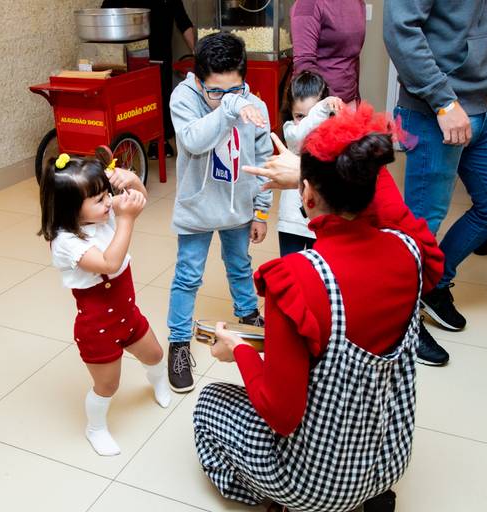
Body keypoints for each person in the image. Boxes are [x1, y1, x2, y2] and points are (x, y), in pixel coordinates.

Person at [193, 105, 444, 512]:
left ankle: (283, 500)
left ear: (306, 194)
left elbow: (282, 414)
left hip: (317, 483)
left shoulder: (298, 278)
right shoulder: (410, 252)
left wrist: (238, 349)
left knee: (208, 405)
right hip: (387, 460)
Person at [383, 0, 487, 366]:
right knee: (422, 223)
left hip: (485, 106)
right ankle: (400, 320)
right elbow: (400, 30)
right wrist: (444, 101)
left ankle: (435, 283)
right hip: (433, 109)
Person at [38, 153, 171, 456]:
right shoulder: (65, 242)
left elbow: (140, 199)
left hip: (128, 313)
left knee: (155, 354)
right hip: (97, 327)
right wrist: (125, 219)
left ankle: (159, 383)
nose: (109, 202)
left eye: (107, 193)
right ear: (71, 208)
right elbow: (109, 263)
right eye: (99, 199)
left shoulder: (101, 214)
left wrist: (133, 181)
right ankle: (95, 428)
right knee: (108, 386)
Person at [166, 33, 273, 393]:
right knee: (188, 275)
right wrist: (227, 110)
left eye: (236, 89)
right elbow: (194, 140)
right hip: (197, 207)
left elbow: (262, 161)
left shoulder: (253, 103)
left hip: (237, 206)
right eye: (215, 91)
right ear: (198, 80)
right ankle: (179, 344)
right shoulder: (184, 98)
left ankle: (247, 314)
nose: (227, 98)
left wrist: (260, 212)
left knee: (241, 264)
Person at [100, 0, 196, 159]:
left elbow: (183, 21)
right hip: (130, 56)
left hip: (161, 56)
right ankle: (130, 141)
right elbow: (105, 15)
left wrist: (196, 50)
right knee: (133, 102)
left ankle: (160, 141)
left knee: (159, 97)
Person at [278, 70, 344, 255]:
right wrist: (320, 110)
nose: (307, 122)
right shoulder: (291, 130)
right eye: (300, 116)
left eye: (313, 114)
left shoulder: (331, 130)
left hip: (323, 219)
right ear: (290, 113)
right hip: (292, 223)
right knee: (292, 272)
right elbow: (303, 135)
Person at [290, 0, 366, 106]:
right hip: (318, 105)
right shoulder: (307, 3)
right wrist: (335, 105)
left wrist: (355, 101)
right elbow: (304, 65)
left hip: (350, 102)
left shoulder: (357, 3)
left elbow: (353, 57)